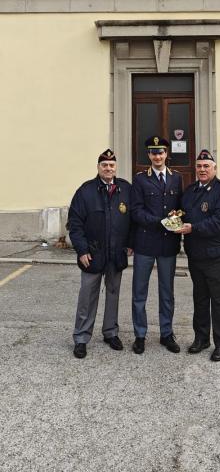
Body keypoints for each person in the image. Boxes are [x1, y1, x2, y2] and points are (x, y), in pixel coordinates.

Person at [68, 148, 132, 359]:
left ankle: (110, 333)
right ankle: (81, 337)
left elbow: (133, 220)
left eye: (112, 165)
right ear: (98, 167)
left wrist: (131, 243)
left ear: (116, 168)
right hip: (92, 255)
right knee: (87, 297)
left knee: (113, 295)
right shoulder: (85, 191)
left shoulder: (125, 189)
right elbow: (75, 224)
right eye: (104, 165)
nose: (108, 168)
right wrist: (82, 250)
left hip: (116, 254)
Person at [178, 150, 220, 362]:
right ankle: (201, 339)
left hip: (218, 254)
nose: (202, 170)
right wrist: (174, 218)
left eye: (206, 166)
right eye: (199, 166)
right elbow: (182, 212)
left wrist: (193, 228)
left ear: (214, 169)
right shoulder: (191, 190)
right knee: (200, 298)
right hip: (197, 255)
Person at [130, 136, 183, 354]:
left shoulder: (176, 178)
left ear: (166, 154)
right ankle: (140, 335)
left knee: (166, 292)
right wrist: (158, 221)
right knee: (139, 292)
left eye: (161, 152)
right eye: (153, 153)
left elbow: (181, 206)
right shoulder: (141, 179)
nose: (157, 156)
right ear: (149, 155)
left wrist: (177, 215)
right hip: (145, 242)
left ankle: (166, 333)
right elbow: (136, 211)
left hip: (168, 244)